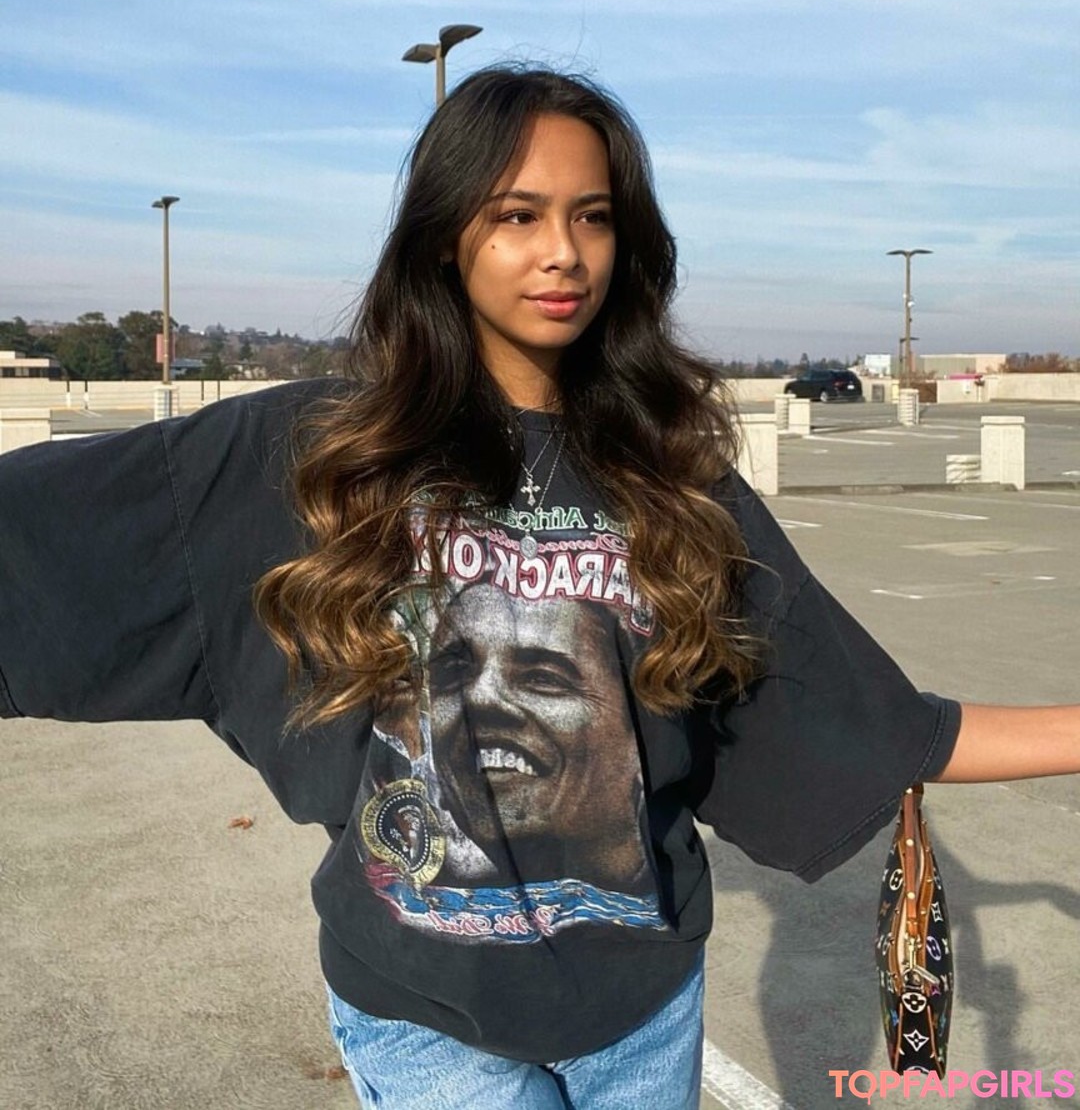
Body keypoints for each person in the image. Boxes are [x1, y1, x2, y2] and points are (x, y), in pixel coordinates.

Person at [1, 65, 1077, 1110]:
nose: (563, 251)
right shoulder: (317, 452)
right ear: (446, 235)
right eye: (517, 215)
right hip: (425, 1013)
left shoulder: (670, 476)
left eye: (592, 216)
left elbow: (859, 714)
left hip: (643, 1013)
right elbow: (40, 542)